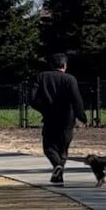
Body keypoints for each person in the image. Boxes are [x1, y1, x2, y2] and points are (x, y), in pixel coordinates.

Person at [30, 53, 87, 184]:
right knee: (63, 148)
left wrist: (43, 109)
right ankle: (58, 174)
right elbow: (76, 99)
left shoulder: (41, 77)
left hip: (50, 117)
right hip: (67, 118)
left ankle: (57, 167)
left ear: (51, 65)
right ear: (65, 65)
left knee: (49, 147)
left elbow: (32, 99)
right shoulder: (70, 79)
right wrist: (82, 117)